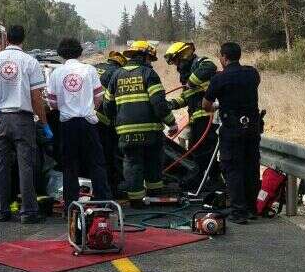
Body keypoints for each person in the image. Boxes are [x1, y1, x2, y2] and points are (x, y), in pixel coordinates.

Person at [0, 25, 51, 224]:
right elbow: (36, 97)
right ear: (23, 39)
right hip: (23, 120)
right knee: (25, 166)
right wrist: (44, 123)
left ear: (7, 40)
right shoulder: (30, 62)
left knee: (0, 165)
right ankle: (28, 212)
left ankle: (2, 211)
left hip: (0, 120)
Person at [103, 40, 179, 208]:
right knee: (153, 161)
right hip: (151, 130)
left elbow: (107, 104)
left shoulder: (116, 75)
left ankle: (136, 200)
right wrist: (172, 123)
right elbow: (158, 103)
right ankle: (155, 196)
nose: (150, 62)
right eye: (150, 59)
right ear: (144, 57)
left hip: (125, 132)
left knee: (132, 163)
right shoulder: (149, 74)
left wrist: (115, 122)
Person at [47, 38, 112, 211]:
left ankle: (70, 205)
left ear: (61, 54)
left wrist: (64, 106)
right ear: (80, 52)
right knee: (96, 163)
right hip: (88, 122)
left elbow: (52, 103)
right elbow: (99, 96)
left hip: (68, 124)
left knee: (69, 166)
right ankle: (103, 202)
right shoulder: (89, 70)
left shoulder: (56, 73)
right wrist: (90, 107)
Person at [203, 42, 262, 224]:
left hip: (232, 128)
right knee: (251, 167)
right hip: (252, 127)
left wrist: (219, 105)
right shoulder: (252, 73)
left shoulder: (219, 78)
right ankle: (252, 209)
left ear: (224, 57)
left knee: (232, 168)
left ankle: (238, 211)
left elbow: (206, 105)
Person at [164, 42, 222, 190]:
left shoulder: (200, 63)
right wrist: (170, 104)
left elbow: (211, 67)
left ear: (183, 55)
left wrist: (192, 81)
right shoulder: (186, 75)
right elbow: (186, 96)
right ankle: (208, 180)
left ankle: (209, 181)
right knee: (198, 151)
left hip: (208, 117)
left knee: (204, 151)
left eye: (176, 60)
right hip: (197, 118)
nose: (176, 65)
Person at [94, 51, 127, 196]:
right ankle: (112, 188)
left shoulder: (95, 66)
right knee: (108, 155)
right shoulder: (117, 73)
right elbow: (115, 100)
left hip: (85, 116)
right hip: (102, 119)